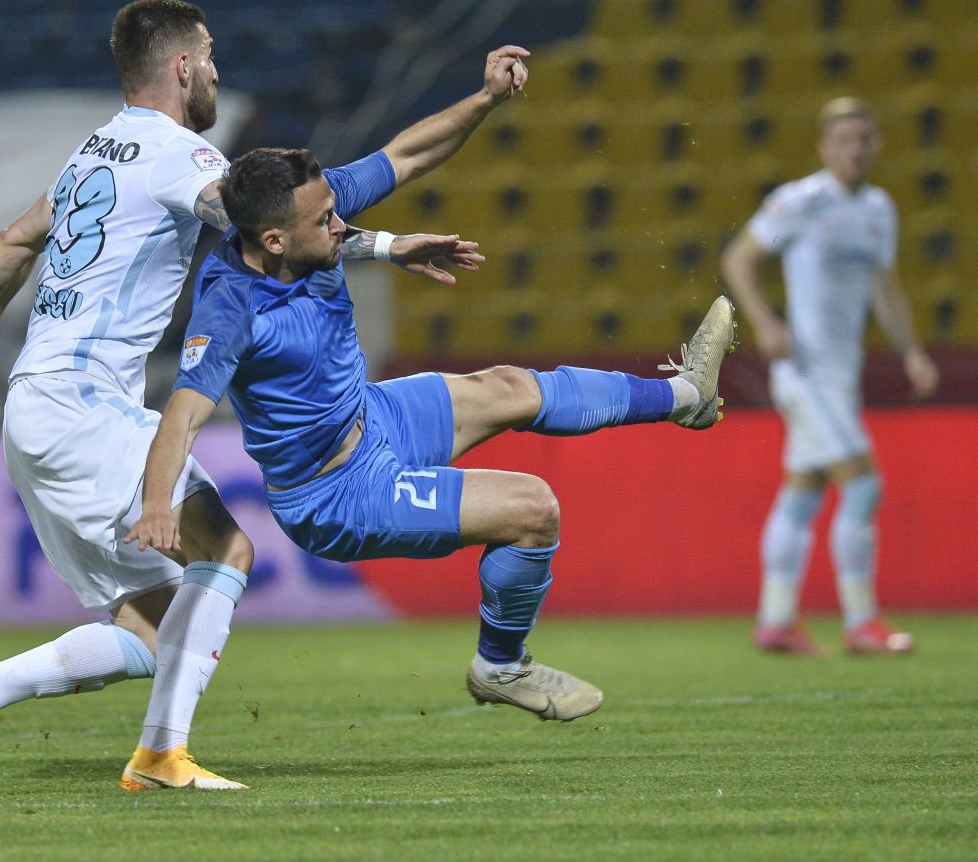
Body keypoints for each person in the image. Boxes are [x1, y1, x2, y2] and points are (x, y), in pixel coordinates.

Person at [0, 0, 483, 792]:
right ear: (180, 67)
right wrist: (383, 243)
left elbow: (15, 239)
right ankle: (161, 755)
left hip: (36, 409)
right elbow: (259, 221)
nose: (214, 69)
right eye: (208, 55)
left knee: (155, 629)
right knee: (227, 550)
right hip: (83, 407)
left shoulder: (91, 153)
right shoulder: (179, 155)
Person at [123, 142, 736, 790]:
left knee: (508, 385)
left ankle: (686, 398)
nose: (339, 224)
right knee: (534, 508)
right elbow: (183, 413)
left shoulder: (305, 212)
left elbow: (405, 154)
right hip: (337, 489)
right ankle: (501, 665)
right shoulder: (229, 308)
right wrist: (159, 504)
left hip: (374, 415)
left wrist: (488, 97)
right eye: (325, 219)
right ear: (273, 238)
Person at [720, 96, 939, 657]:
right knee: (864, 484)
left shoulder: (879, 209)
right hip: (805, 371)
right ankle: (862, 621)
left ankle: (774, 622)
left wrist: (911, 351)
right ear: (824, 148)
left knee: (804, 492)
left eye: (863, 139)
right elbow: (738, 259)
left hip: (841, 376)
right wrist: (766, 322)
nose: (855, 149)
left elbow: (884, 287)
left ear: (876, 145)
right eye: (843, 140)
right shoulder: (801, 200)